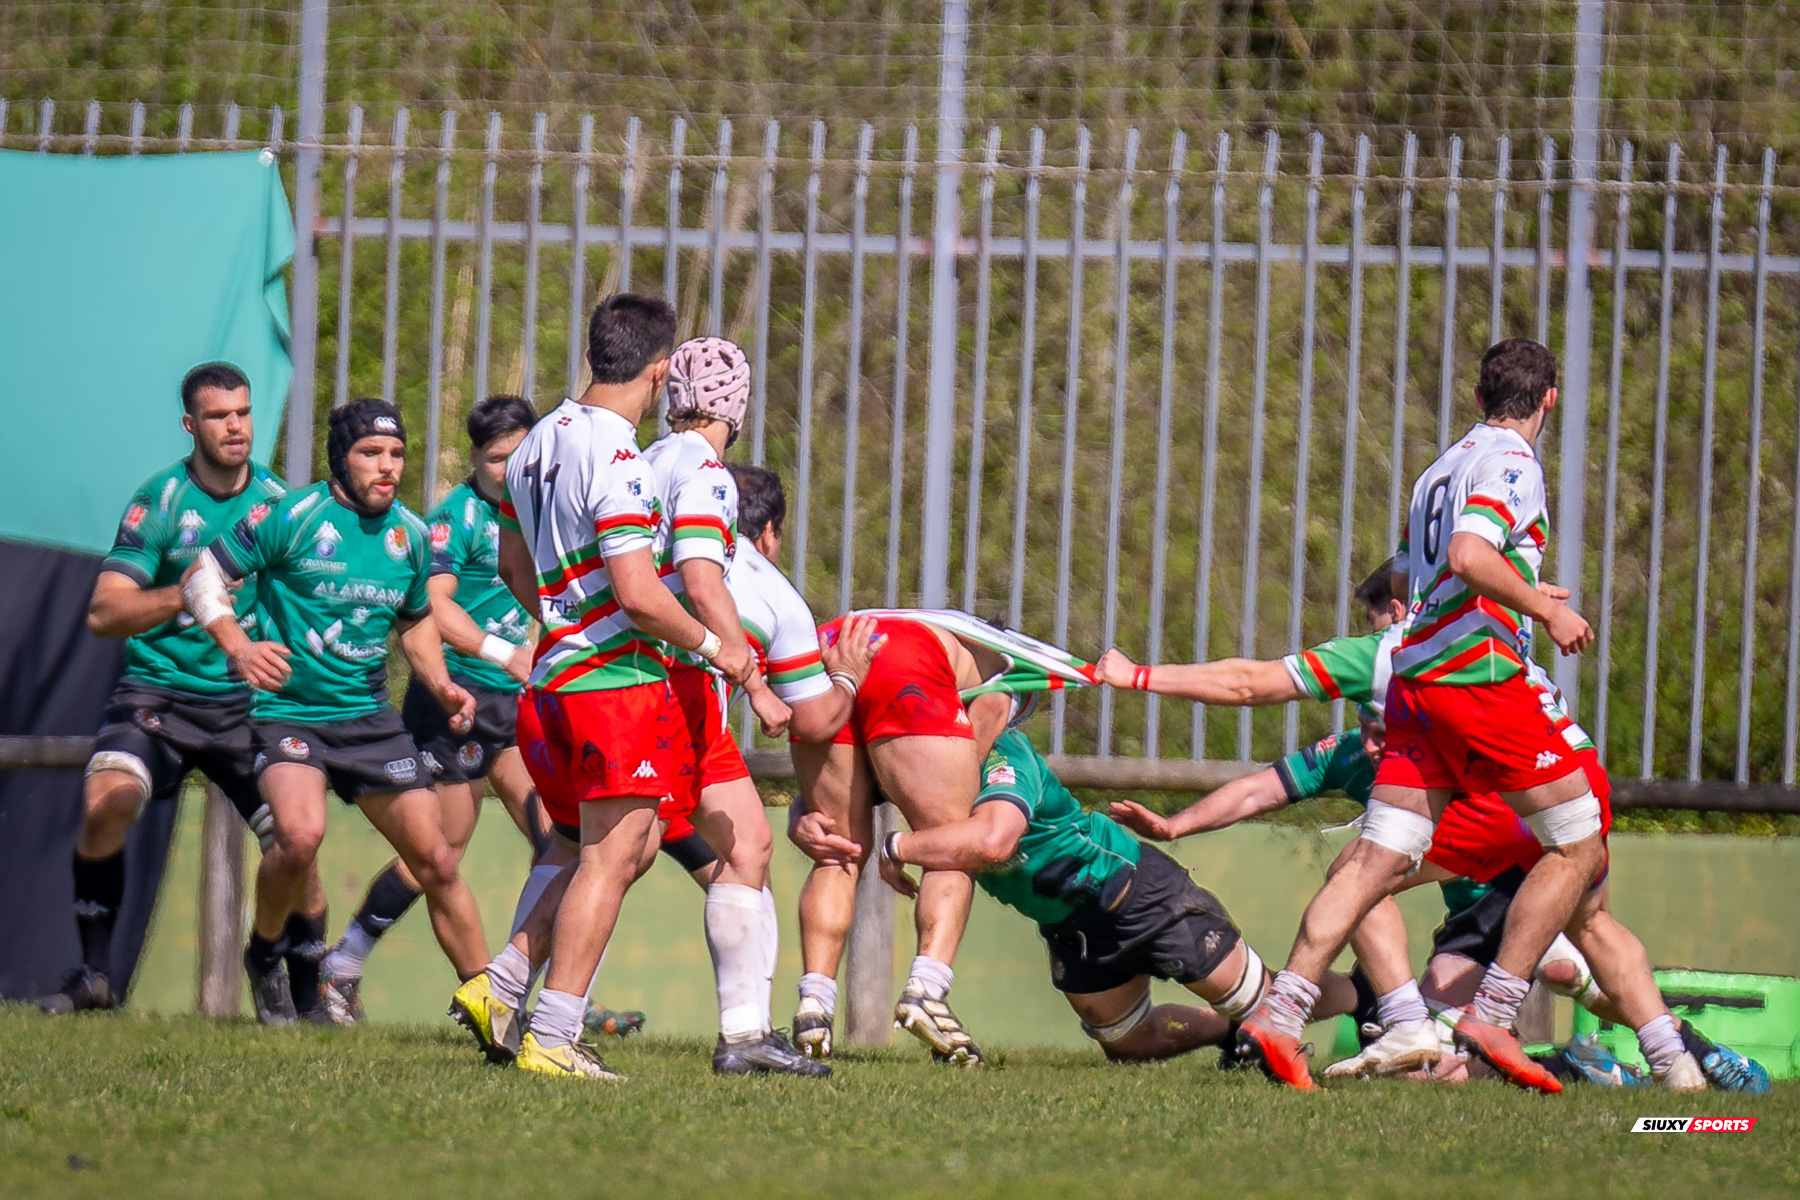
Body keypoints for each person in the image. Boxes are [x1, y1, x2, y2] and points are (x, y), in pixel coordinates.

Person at [451, 293, 757, 1082]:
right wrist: (715, 646)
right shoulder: (617, 454)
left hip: (553, 678)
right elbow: (639, 590)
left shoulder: (532, 446)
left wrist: (561, 619)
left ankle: (503, 984)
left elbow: (517, 568)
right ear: (659, 373)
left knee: (618, 846)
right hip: (611, 684)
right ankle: (554, 1035)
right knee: (613, 857)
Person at [182, 398, 492, 1024]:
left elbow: (416, 625)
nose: (387, 467)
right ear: (340, 459)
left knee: (435, 859)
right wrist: (238, 646)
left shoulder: (409, 535)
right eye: (370, 453)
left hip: (368, 719)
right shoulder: (290, 515)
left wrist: (441, 684)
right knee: (299, 836)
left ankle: (492, 1004)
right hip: (288, 712)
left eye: (397, 454)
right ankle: (266, 954)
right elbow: (200, 580)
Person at [792, 728, 1357, 1062]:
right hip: (1068, 925)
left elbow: (992, 840)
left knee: (1263, 1002)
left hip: (1133, 892)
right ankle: (1229, 1031)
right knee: (1130, 1044)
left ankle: (1364, 999)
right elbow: (837, 791)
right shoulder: (907, 751)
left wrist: (892, 848)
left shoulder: (1001, 750)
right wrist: (804, 818)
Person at [42, 363, 328, 1022]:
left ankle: (305, 994)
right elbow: (103, 612)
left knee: (298, 835)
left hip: (245, 704)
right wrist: (190, 591)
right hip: (159, 695)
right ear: (190, 424)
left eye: (243, 413)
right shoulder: (161, 501)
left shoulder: (280, 505)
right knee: (105, 798)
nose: (235, 427)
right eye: (219, 416)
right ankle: (96, 974)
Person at [313, 395, 569, 1024]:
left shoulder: (539, 507)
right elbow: (435, 609)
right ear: (476, 460)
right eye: (496, 459)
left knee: (559, 839)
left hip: (521, 703)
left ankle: (527, 991)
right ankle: (342, 965)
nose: (509, 470)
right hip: (459, 701)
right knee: (441, 852)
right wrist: (506, 650)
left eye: (519, 456)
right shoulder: (455, 518)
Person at [789, 610, 1095, 1064]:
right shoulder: (1006, 671)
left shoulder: (940, 629)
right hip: (904, 661)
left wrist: (806, 810)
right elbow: (989, 710)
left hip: (830, 644)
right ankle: (926, 992)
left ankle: (814, 1004)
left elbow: (860, 771)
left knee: (838, 849)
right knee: (948, 842)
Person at [639, 336, 822, 1076]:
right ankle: (526, 999)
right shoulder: (706, 472)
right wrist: (746, 675)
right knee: (609, 857)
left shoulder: (642, 460)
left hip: (632, 679)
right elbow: (702, 579)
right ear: (737, 409)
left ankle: (745, 1038)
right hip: (671, 684)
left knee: (745, 842)